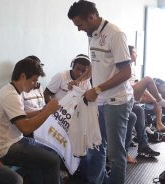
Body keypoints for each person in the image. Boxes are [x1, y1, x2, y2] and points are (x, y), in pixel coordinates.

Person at [68, 1, 134, 184]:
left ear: (91, 17)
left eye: (79, 25)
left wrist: (96, 90)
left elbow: (126, 73)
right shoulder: (92, 35)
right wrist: (79, 80)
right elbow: (95, 66)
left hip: (117, 102)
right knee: (96, 146)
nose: (79, 29)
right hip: (100, 101)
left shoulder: (115, 34)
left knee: (115, 154)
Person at [0, 58, 61, 184]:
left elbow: (21, 115)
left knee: (52, 151)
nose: (34, 85)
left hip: (15, 140)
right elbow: (26, 128)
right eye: (33, 80)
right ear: (22, 76)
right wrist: (47, 111)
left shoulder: (11, 90)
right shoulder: (11, 95)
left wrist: (42, 111)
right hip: (5, 149)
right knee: (53, 161)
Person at [129, 45, 165, 132]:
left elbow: (138, 85)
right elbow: (131, 86)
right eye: (134, 52)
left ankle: (159, 123)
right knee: (148, 79)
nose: (136, 55)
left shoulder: (133, 68)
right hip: (128, 94)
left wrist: (152, 97)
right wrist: (152, 97)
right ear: (128, 54)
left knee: (156, 100)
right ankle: (160, 100)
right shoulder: (125, 67)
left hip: (135, 94)